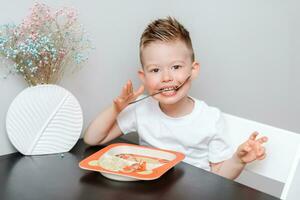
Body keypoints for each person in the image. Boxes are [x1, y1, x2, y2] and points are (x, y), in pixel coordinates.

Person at [84, 17, 268, 180]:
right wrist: (116, 108)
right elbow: (93, 138)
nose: (166, 77)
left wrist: (238, 160)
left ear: (193, 70)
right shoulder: (141, 110)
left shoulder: (211, 119)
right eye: (155, 70)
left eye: (176, 67)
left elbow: (219, 176)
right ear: (144, 76)